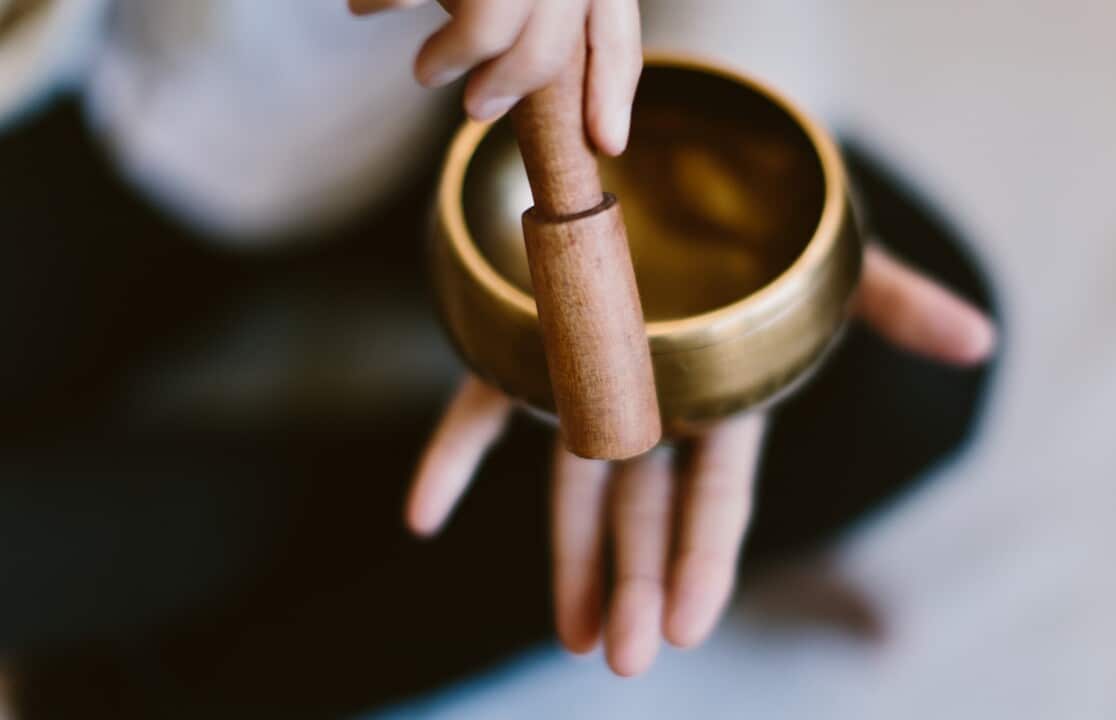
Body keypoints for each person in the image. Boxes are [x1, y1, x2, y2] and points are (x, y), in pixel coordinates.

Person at [0, 0, 997, 715]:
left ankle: (147, 672)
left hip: (481, 91)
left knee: (896, 361)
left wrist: (683, 150)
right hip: (82, 105)